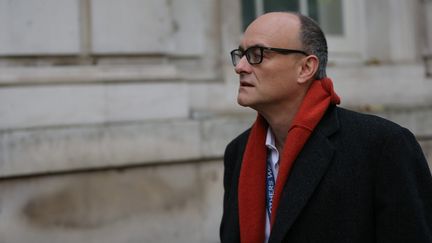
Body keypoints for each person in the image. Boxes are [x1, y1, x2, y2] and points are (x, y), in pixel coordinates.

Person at [220, 12, 432, 243]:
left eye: (256, 54)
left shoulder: (383, 146)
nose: (240, 67)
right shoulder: (238, 152)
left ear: (306, 68)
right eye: (240, 54)